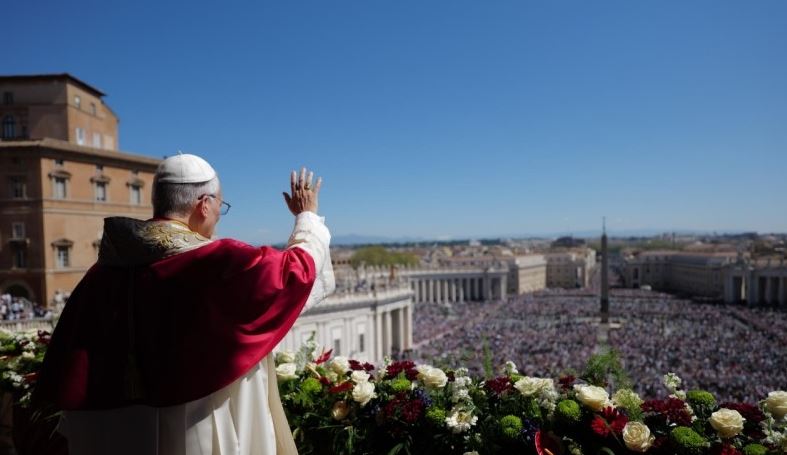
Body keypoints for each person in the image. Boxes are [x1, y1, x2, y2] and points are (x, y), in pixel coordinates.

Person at [36, 154, 335, 455]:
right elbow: (296, 272)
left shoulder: (101, 273)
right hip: (193, 425)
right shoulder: (216, 261)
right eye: (221, 206)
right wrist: (307, 216)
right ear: (204, 204)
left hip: (111, 429)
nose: (219, 214)